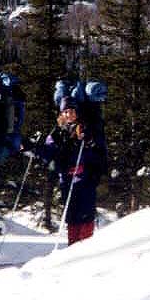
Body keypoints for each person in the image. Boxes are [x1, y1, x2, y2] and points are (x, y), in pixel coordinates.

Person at [24, 96, 106, 245]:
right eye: (66, 112)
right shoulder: (58, 132)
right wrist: (33, 147)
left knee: (86, 213)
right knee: (71, 215)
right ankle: (73, 247)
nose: (69, 115)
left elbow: (98, 153)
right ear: (61, 114)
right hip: (67, 180)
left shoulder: (85, 128)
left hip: (85, 178)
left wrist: (89, 143)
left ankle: (86, 245)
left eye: (72, 111)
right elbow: (49, 152)